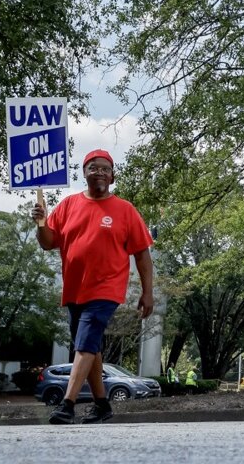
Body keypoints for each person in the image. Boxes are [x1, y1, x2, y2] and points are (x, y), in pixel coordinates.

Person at [31, 149, 154, 425]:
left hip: (106, 289)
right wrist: (41, 223)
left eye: (104, 169)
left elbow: (142, 254)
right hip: (75, 289)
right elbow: (48, 242)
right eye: (93, 168)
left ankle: (67, 404)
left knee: (85, 343)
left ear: (113, 176)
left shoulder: (125, 210)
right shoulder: (67, 205)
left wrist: (148, 292)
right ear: (84, 173)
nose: (99, 172)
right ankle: (101, 404)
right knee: (89, 346)